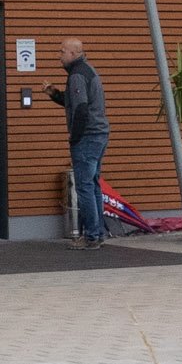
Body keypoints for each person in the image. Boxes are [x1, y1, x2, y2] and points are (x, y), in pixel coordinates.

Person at [44, 37, 108, 247]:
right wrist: (54, 94)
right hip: (99, 134)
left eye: (62, 51)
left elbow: (80, 109)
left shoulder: (77, 75)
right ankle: (98, 233)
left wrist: (75, 137)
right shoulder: (89, 71)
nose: (58, 55)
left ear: (73, 53)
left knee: (84, 187)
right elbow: (73, 101)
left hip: (87, 137)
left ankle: (90, 236)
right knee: (93, 184)